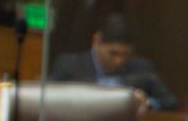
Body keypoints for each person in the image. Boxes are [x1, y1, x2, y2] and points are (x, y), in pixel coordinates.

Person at [49, 13, 177, 111]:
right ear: (96, 40)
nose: (119, 61)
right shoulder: (70, 65)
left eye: (126, 55)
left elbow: (171, 103)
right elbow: (48, 100)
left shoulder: (142, 69)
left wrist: (147, 103)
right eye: (113, 53)